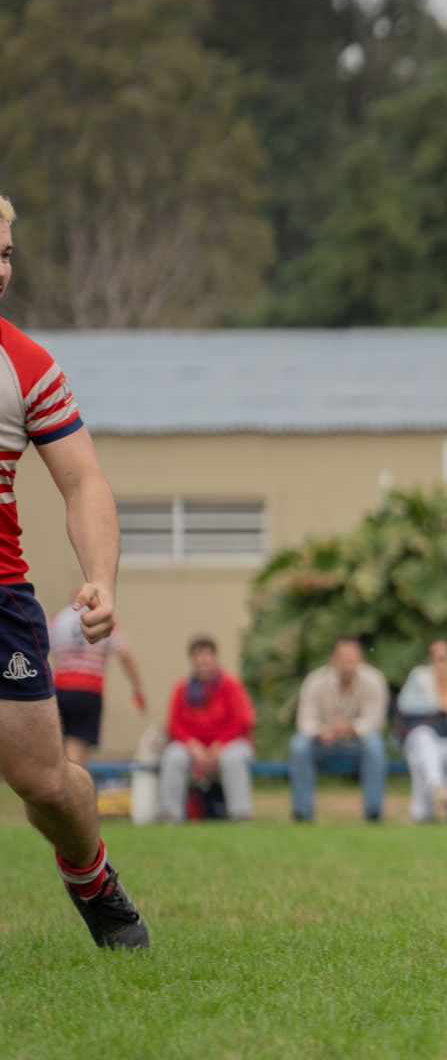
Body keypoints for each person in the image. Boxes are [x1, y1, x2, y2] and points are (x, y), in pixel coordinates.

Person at [0, 194, 147, 948]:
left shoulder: (24, 365)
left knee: (47, 783)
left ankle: (93, 878)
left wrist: (101, 578)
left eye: (4, 256)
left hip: (2, 599)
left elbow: (85, 482)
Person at [289, 636, 390, 823]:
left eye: (351, 658)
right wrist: (321, 731)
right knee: (299, 745)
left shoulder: (374, 680)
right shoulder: (315, 681)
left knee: (374, 745)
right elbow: (304, 720)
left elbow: (374, 721)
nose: (347, 663)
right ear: (332, 660)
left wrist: (349, 727)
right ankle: (302, 813)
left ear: (360, 659)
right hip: (323, 743)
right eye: (342, 658)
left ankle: (373, 812)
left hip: (357, 743)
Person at [157, 636, 255, 823]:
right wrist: (194, 747)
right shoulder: (181, 688)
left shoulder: (231, 685)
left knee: (232, 759)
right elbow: (174, 725)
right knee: (173, 756)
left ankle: (241, 815)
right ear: (191, 660)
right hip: (193, 748)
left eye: (207, 655)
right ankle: (170, 816)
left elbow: (242, 720)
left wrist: (219, 746)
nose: (202, 660)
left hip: (231, 744)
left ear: (215, 658)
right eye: (197, 655)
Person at [49, 591, 144, 763]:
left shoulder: (57, 619)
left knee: (61, 749)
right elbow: (124, 655)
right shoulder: (104, 619)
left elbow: (40, 650)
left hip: (59, 691)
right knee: (77, 754)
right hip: (88, 690)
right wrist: (138, 688)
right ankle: (72, 789)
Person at [396, 637, 447, 823]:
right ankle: (438, 789)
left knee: (420, 758)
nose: (439, 663)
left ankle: (420, 812)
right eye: (435, 658)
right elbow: (405, 703)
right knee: (423, 738)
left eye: (444, 657)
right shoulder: (420, 676)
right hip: (421, 736)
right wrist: (440, 705)